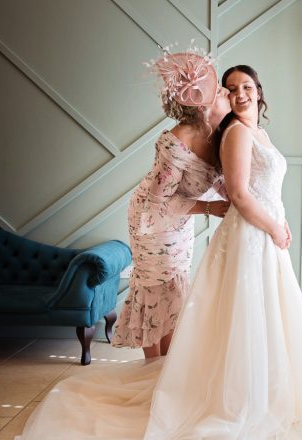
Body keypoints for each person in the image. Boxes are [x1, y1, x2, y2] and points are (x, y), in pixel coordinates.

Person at [14, 60, 302, 440]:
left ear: (259, 92)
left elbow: (243, 187)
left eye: (245, 87)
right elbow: (229, 196)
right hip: (172, 224)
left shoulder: (238, 131)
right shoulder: (222, 136)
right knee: (171, 298)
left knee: (234, 308)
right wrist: (265, 225)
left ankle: (227, 385)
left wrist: (277, 222)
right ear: (216, 96)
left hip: (244, 230)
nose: (237, 93)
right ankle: (182, 383)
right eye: (230, 88)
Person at [111, 50, 231, 358]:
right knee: (156, 286)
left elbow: (212, 177)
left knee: (175, 287)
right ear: (201, 100)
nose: (226, 94)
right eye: (220, 90)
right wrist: (208, 208)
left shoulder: (215, 133)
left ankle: (166, 367)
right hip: (151, 221)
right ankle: (152, 369)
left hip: (180, 222)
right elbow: (158, 203)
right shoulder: (177, 140)